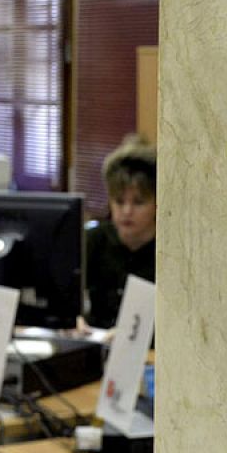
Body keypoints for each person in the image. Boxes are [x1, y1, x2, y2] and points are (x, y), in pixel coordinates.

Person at [84, 135, 157, 330]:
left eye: (138, 202)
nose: (127, 211)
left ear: (157, 204)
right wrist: (73, 319)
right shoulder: (94, 240)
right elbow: (65, 296)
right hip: (97, 345)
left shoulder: (168, 253)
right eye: (119, 201)